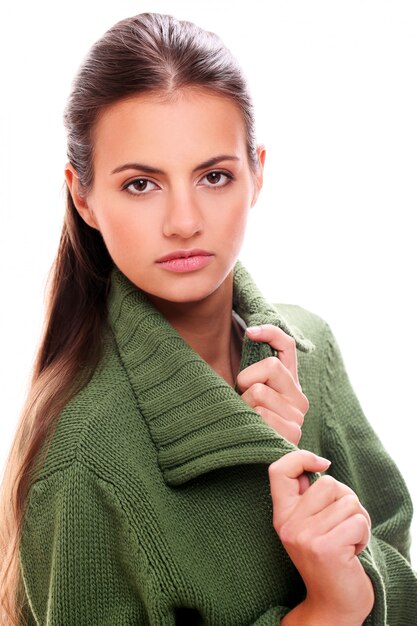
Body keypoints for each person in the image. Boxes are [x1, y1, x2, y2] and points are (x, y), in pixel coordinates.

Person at [0, 11, 416, 626]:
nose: (185, 221)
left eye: (214, 176)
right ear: (83, 196)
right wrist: (328, 606)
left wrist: (300, 477)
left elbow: (402, 579)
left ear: (258, 174)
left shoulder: (310, 349)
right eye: (142, 184)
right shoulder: (84, 456)